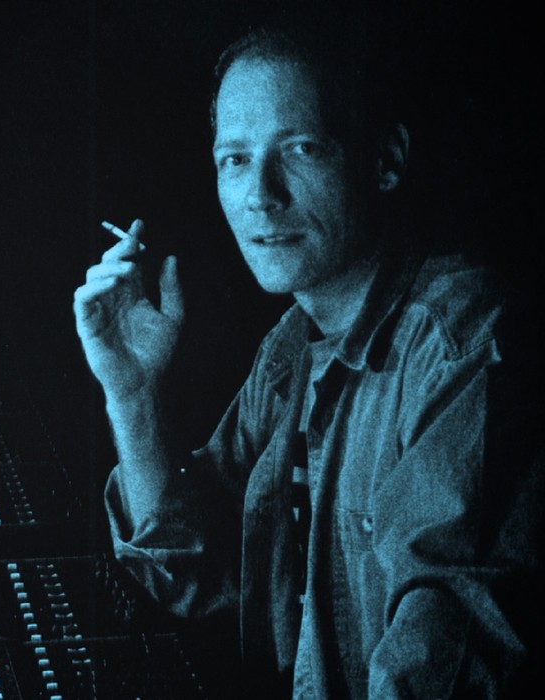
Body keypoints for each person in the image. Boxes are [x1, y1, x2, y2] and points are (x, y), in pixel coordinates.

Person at [73, 17, 541, 699]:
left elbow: (442, 662)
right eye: (235, 160)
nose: (261, 194)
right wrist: (133, 394)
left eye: (301, 149)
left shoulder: (462, 344)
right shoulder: (292, 345)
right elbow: (193, 570)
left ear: (385, 160)